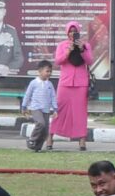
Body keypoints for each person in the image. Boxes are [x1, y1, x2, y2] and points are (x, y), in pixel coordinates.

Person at [53, 21, 94, 151]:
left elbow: (90, 61)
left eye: (74, 31)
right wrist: (68, 52)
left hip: (81, 83)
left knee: (80, 113)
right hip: (65, 82)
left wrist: (82, 50)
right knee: (59, 110)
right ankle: (50, 137)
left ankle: (82, 140)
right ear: (67, 32)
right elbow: (58, 61)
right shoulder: (62, 45)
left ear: (78, 32)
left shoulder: (85, 45)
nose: (72, 34)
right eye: (70, 31)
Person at [20, 60, 58, 152]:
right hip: (36, 108)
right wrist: (24, 107)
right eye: (47, 71)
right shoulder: (34, 83)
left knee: (45, 130)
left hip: (46, 109)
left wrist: (56, 109)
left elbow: (53, 96)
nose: (49, 73)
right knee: (41, 123)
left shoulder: (49, 84)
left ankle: (37, 147)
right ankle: (32, 139)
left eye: (50, 71)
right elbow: (28, 95)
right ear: (40, 71)